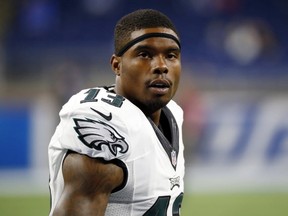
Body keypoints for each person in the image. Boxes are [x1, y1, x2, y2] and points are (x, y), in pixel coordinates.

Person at [48, 8, 185, 216]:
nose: (161, 66)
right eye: (145, 54)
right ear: (117, 65)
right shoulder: (107, 123)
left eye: (171, 55)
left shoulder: (173, 113)